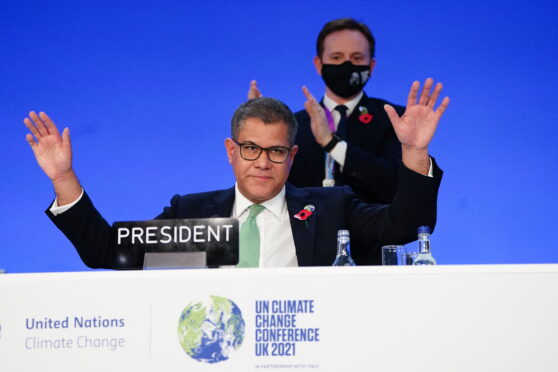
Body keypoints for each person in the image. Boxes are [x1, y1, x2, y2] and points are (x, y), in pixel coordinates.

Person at [24, 80, 448, 269]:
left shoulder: (331, 207)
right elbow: (107, 252)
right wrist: (63, 178)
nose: (262, 161)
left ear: (292, 154)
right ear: (231, 151)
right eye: (250, 148)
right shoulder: (191, 214)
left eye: (277, 151)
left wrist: (414, 150)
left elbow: (405, 225)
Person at [249, 18, 405, 204]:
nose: (346, 66)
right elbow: (271, 191)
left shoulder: (393, 117)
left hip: (373, 231)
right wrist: (261, 134)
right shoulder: (293, 125)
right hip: (307, 231)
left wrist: (332, 143)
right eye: (336, 58)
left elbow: (396, 185)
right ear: (319, 64)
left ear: (371, 66)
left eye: (356, 58)